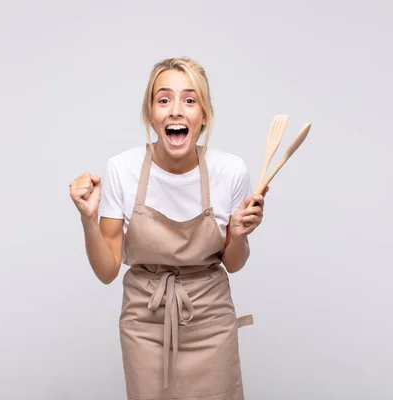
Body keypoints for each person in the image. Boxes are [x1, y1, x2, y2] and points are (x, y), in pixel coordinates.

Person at [69, 57, 268, 399]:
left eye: (190, 100)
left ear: (203, 115)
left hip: (210, 322)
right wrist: (88, 218)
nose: (176, 110)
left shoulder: (231, 171)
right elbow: (106, 271)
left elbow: (233, 263)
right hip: (144, 322)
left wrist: (237, 235)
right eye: (164, 100)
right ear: (150, 114)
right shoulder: (122, 169)